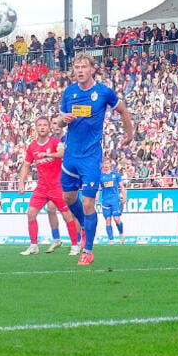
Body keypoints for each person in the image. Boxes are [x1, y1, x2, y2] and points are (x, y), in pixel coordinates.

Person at [55, 53, 134, 266]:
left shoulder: (103, 92)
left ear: (92, 69)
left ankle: (88, 250)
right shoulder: (69, 92)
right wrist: (63, 120)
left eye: (84, 67)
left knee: (89, 202)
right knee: (69, 198)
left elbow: (123, 109)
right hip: (71, 154)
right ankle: (84, 228)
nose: (80, 70)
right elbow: (59, 122)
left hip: (91, 157)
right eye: (76, 67)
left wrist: (130, 133)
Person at [18, 117, 80, 256]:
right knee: (31, 213)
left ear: (49, 128)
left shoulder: (55, 142)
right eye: (39, 125)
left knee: (67, 215)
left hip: (57, 186)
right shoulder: (32, 147)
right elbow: (26, 165)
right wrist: (21, 182)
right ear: (36, 127)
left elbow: (62, 153)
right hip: (41, 187)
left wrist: (48, 154)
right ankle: (34, 245)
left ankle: (75, 245)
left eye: (45, 125)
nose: (42, 127)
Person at [99, 159, 126, 244]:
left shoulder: (116, 174)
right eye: (104, 163)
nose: (106, 165)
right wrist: (96, 198)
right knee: (108, 219)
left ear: (110, 164)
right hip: (105, 200)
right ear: (102, 165)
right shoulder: (100, 176)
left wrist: (124, 197)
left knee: (117, 219)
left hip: (115, 199)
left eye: (107, 163)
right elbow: (98, 188)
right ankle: (111, 240)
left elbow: (121, 186)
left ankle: (121, 234)